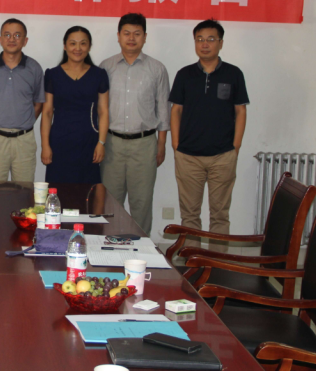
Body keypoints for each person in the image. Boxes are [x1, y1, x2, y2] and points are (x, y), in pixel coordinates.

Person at [169, 18, 249, 252]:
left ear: (220, 43)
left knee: (220, 214)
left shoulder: (233, 74)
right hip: (188, 156)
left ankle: (217, 261)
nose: (205, 44)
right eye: (200, 39)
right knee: (189, 214)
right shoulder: (184, 74)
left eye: (211, 39)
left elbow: (240, 111)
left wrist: (236, 146)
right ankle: (192, 259)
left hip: (222, 155)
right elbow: (176, 110)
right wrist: (176, 145)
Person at [99, 13, 170, 235]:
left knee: (141, 202)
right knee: (110, 202)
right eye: (127, 33)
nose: (131, 38)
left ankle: (141, 249)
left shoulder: (157, 68)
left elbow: (163, 110)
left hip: (144, 143)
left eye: (137, 34)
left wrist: (161, 144)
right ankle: (109, 246)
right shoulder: (105, 67)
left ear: (145, 37)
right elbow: (99, 109)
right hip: (112, 143)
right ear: (118, 36)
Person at [0, 18, 45, 182]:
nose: (12, 39)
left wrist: (24, 121)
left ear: (25, 41)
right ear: (0, 39)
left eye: (17, 35)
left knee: (24, 189)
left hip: (24, 140)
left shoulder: (34, 68)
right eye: (7, 35)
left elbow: (38, 103)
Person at [41, 26, 109, 185]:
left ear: (89, 47)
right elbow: (47, 112)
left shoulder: (99, 74)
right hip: (59, 142)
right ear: (65, 46)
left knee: (87, 192)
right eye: (72, 43)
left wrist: (101, 143)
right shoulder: (52, 74)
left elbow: (103, 111)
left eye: (83, 43)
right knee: (58, 190)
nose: (77, 48)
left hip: (89, 142)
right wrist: (45, 145)